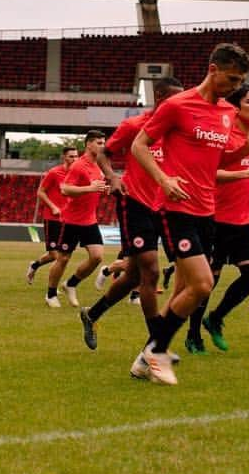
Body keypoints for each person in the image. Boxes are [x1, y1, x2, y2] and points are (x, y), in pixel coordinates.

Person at [127, 43, 249, 384]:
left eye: (240, 81)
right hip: (175, 207)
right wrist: (163, 179)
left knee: (184, 288)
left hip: (206, 211)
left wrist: (245, 150)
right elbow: (139, 145)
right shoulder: (177, 105)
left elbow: (216, 163)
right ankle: (157, 354)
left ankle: (146, 356)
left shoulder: (227, 113)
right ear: (213, 69)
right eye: (232, 78)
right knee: (203, 285)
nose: (235, 86)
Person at [77, 77, 184, 351]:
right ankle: (156, 342)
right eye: (175, 98)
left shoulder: (177, 131)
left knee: (135, 277)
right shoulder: (135, 126)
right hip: (134, 203)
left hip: (163, 205)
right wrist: (112, 176)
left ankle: (92, 314)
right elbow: (104, 154)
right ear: (160, 97)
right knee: (151, 270)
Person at [200, 84, 249, 353]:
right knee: (207, 282)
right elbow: (210, 172)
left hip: (242, 220)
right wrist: (246, 176)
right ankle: (194, 334)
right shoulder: (223, 136)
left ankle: (215, 319)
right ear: (235, 108)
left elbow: (243, 173)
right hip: (216, 219)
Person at [44, 131, 109, 308]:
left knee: (97, 257)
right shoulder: (79, 165)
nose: (103, 146)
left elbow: (95, 188)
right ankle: (50, 294)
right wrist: (90, 188)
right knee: (63, 258)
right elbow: (65, 189)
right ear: (88, 144)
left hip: (90, 220)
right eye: (99, 142)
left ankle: (71, 284)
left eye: (104, 143)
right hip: (71, 220)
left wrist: (103, 189)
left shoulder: (98, 166)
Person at [25, 145, 78, 285]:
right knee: (57, 255)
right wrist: (53, 206)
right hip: (52, 218)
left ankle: (35, 265)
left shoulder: (77, 174)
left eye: (76, 156)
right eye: (71, 156)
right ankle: (52, 288)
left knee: (58, 255)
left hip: (69, 219)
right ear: (64, 157)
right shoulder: (54, 173)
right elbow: (40, 192)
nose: (74, 159)